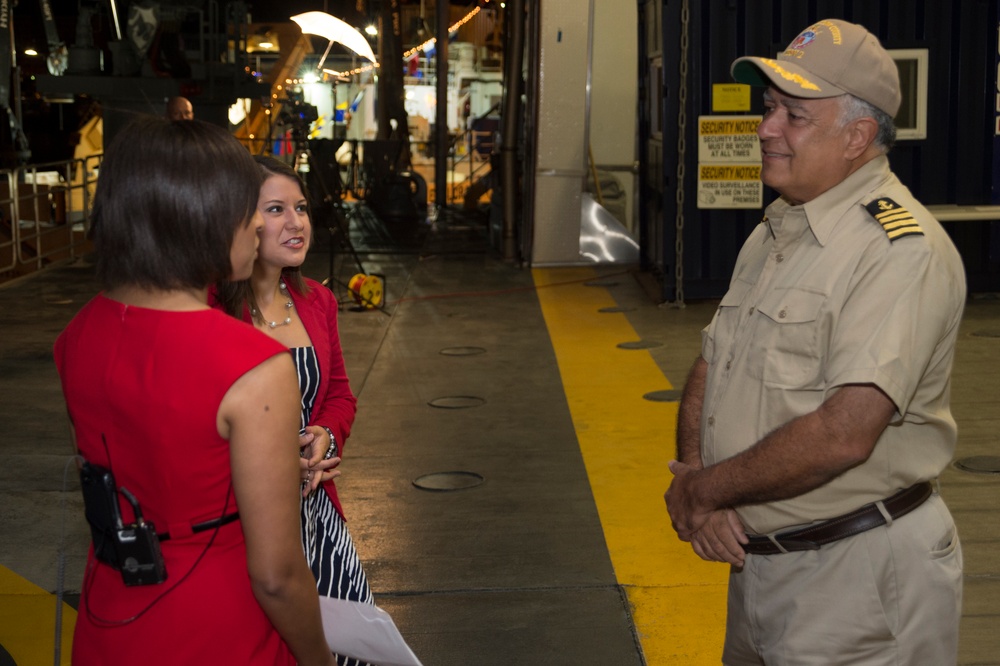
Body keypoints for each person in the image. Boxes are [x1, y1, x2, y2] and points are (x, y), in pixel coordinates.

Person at [664, 18, 966, 665]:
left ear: (857, 136)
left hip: (858, 585)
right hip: (760, 569)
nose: (766, 127)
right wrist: (698, 477)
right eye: (770, 108)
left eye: (794, 115)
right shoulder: (777, 232)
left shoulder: (896, 250)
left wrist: (709, 491)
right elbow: (711, 365)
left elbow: (844, 432)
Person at [54, 117, 336, 665]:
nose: (257, 222)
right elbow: (277, 576)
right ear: (197, 216)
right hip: (219, 626)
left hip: (110, 615)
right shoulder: (253, 366)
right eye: (246, 206)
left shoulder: (77, 336)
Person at [213, 156, 373, 666]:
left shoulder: (318, 301)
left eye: (300, 208)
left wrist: (326, 431)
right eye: (277, 209)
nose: (297, 222)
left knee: (354, 643)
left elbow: (340, 395)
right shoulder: (214, 312)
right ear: (241, 222)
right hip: (244, 519)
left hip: (317, 512)